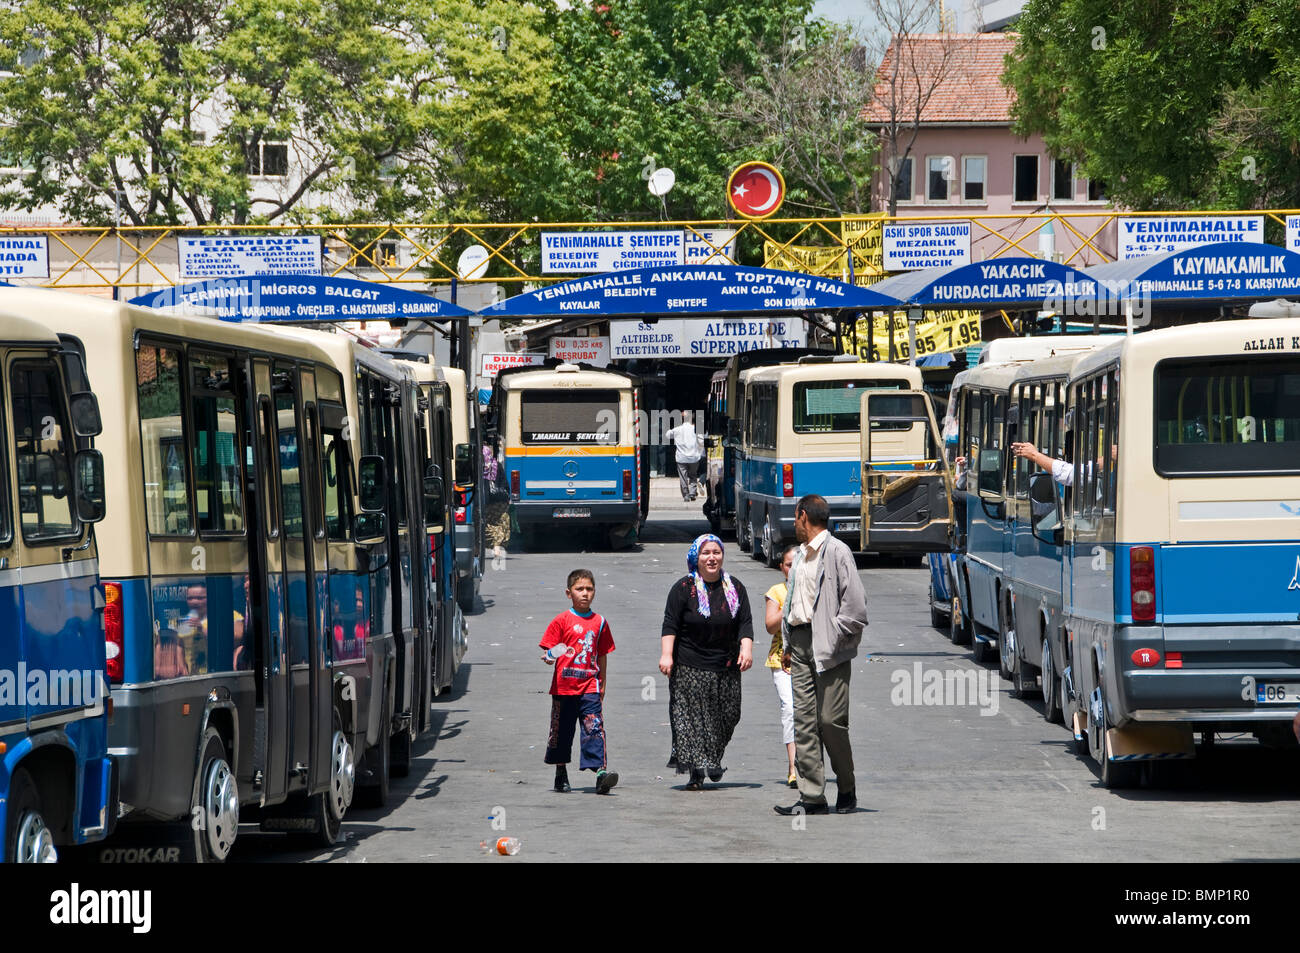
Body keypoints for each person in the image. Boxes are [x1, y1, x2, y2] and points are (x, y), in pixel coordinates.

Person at [775, 494, 868, 816]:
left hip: (829, 647)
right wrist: (789, 644)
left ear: (803, 516)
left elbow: (855, 606)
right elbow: (794, 602)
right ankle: (812, 797)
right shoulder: (800, 555)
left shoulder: (837, 552)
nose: (794, 525)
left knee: (830, 722)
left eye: (795, 518)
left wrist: (835, 636)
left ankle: (847, 787)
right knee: (804, 724)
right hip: (799, 645)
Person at [660, 534, 754, 790]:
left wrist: (746, 649)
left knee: (728, 715)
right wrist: (666, 654)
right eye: (705, 553)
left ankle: (712, 757)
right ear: (696, 558)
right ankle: (697, 770)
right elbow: (670, 623)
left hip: (726, 665)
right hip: (689, 665)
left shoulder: (735, 587)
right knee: (691, 720)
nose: (711, 557)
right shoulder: (683, 589)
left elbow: (745, 621)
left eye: (716, 552)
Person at [539, 569, 619, 795]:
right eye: (579, 589)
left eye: (589, 589)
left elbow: (602, 654)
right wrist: (549, 656)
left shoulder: (600, 622)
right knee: (561, 732)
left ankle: (600, 773)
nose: (585, 593)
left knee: (594, 728)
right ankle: (560, 772)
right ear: (569, 592)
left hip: (589, 687)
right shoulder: (561, 620)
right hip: (563, 688)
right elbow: (549, 650)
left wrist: (602, 682)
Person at [764, 544, 799, 787]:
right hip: (781, 660)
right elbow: (770, 626)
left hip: (812, 659)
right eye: (789, 565)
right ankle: (793, 766)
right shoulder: (776, 592)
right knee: (790, 710)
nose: (793, 568)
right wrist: (790, 604)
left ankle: (811, 763)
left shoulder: (816, 589)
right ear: (782, 568)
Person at [664, 411, 703, 502]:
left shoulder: (677, 429)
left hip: (681, 458)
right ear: (691, 419)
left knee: (683, 477)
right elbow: (701, 442)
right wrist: (699, 452)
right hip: (694, 457)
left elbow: (667, 435)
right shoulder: (697, 429)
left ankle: (686, 495)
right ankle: (693, 493)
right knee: (693, 475)